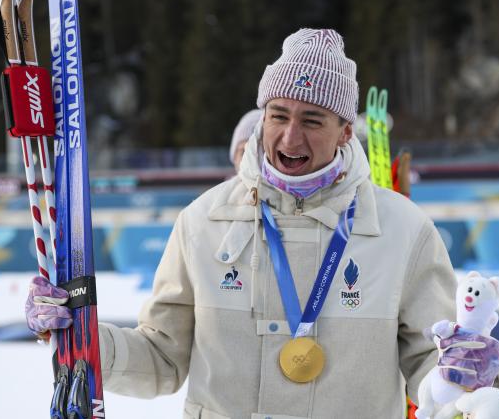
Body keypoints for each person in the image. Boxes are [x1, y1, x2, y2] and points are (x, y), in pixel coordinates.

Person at [26, 28, 456, 418]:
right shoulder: (203, 220)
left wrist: (467, 379)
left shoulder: (405, 231)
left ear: (346, 131)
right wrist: (78, 336)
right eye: (279, 115)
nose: (290, 137)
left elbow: (434, 366)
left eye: (312, 120)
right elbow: (161, 357)